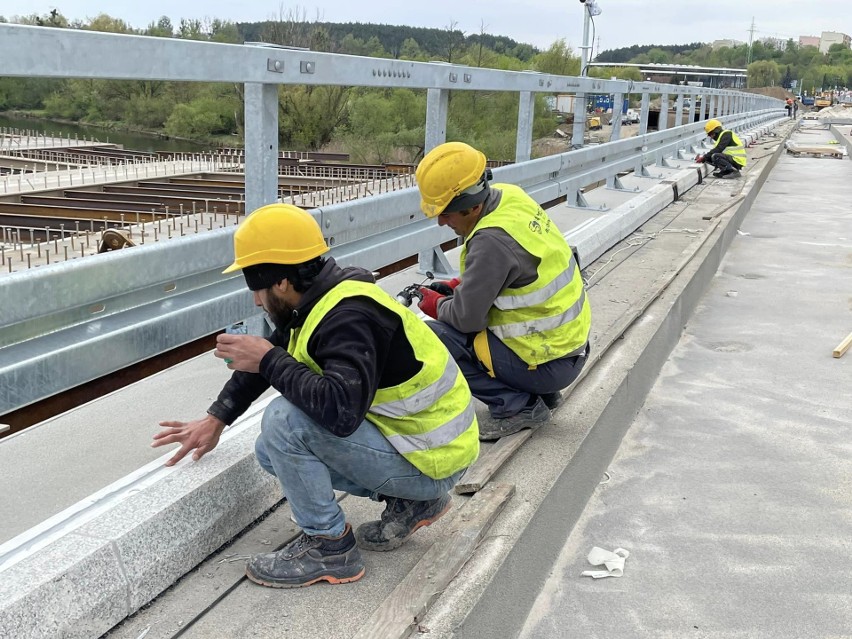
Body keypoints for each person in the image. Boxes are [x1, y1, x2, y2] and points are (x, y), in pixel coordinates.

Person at [152, 203, 478, 588]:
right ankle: (414, 503)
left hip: (434, 460)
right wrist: (215, 419)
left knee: (283, 422)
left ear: (281, 282)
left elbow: (340, 412)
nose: (256, 301)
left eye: (256, 287)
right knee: (268, 449)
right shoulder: (319, 301)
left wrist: (270, 359)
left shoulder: (348, 318)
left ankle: (329, 547)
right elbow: (266, 361)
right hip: (425, 448)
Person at [413, 142, 592, 441]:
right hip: (567, 349)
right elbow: (515, 269)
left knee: (432, 338)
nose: (441, 221)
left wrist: (436, 304)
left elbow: (467, 320)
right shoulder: (510, 196)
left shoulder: (489, 241)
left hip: (547, 363)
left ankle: (517, 406)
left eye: (446, 213)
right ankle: (542, 393)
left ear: (470, 205)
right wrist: (461, 286)